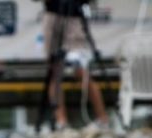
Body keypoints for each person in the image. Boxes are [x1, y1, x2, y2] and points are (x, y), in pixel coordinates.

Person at [41, 0, 109, 130]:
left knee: (81, 70)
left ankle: (103, 119)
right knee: (55, 71)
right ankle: (61, 121)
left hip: (74, 18)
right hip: (52, 16)